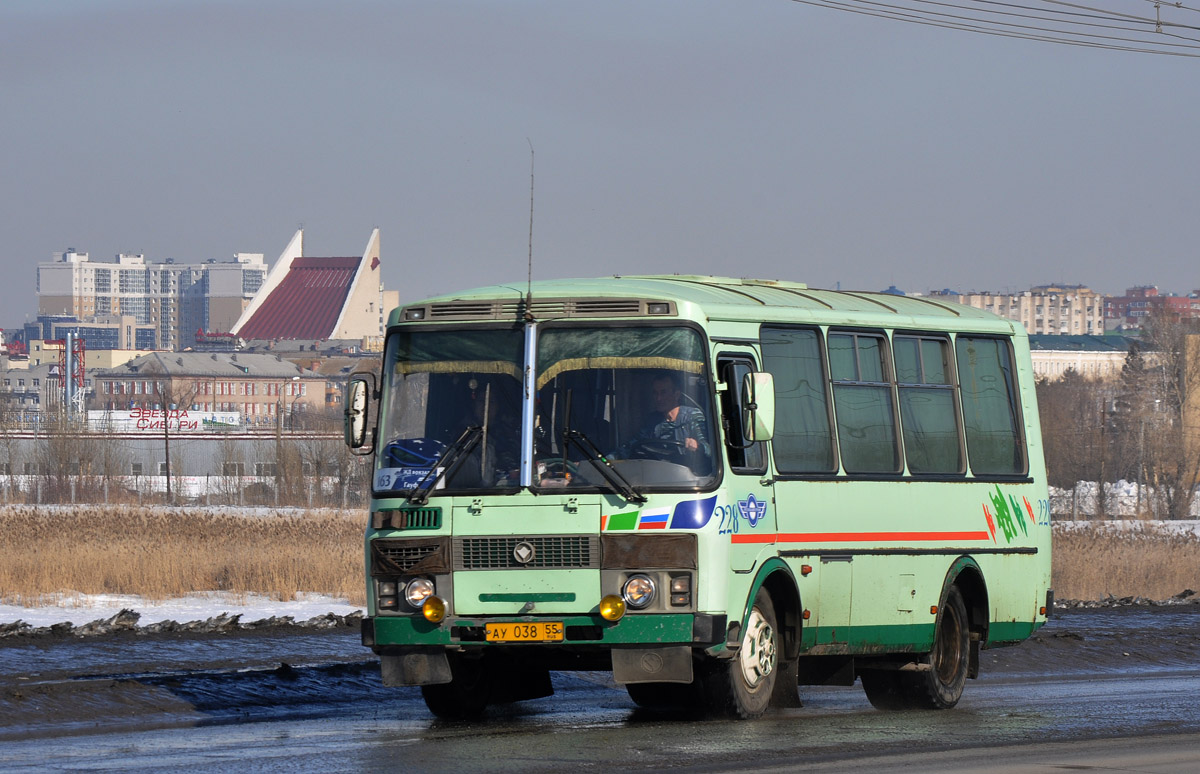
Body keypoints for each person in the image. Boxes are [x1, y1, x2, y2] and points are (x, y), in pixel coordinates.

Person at [616, 371, 712, 473]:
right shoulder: (653, 420)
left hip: (689, 477)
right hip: (660, 477)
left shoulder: (692, 416)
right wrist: (610, 458)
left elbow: (710, 450)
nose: (658, 398)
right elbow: (634, 444)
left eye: (663, 392)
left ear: (677, 394)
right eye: (655, 393)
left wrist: (696, 445)